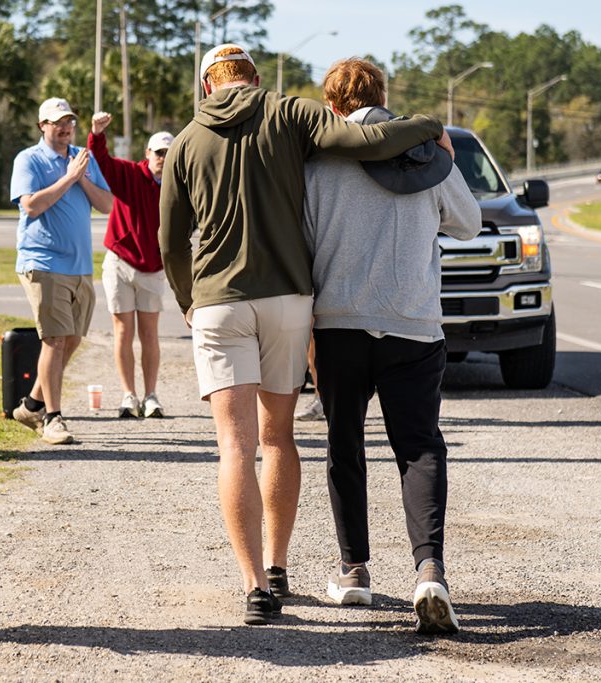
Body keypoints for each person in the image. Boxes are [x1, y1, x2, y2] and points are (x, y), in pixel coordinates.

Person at [159, 43, 450, 625]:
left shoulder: (187, 139)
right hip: (288, 300)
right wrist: (429, 124)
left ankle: (253, 590)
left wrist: (189, 299)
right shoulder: (288, 111)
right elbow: (366, 140)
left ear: (207, 85)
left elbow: (170, 237)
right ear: (252, 78)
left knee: (235, 446)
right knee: (278, 437)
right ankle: (277, 565)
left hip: (220, 303)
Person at [302, 57, 480, 634]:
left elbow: (303, 238)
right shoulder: (427, 154)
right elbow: (470, 224)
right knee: (420, 448)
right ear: (385, 95)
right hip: (413, 324)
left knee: (345, 447)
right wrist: (447, 164)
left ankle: (354, 574)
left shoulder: (320, 160)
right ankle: (429, 571)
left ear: (333, 106)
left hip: (340, 324)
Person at [10, 97, 114, 444]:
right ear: (43, 125)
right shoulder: (29, 159)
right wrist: (69, 178)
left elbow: (107, 205)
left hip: (80, 265)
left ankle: (30, 404)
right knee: (54, 340)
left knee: (71, 340)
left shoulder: (83, 159)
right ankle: (53, 418)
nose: (65, 127)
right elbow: (31, 205)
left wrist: (81, 177)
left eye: (69, 121)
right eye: (57, 122)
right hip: (43, 261)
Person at [87, 112, 172, 419]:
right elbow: (102, 161)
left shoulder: (176, 185)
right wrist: (97, 134)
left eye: (168, 153)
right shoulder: (131, 175)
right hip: (121, 262)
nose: (163, 158)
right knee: (123, 331)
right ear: (147, 154)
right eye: (158, 152)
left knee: (150, 334)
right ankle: (128, 395)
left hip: (153, 267)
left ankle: (150, 395)